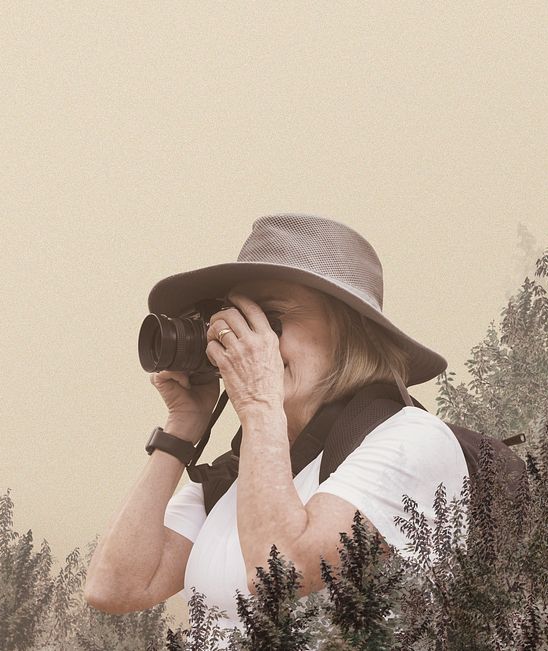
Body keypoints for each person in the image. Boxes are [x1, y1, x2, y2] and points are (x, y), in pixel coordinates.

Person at [83, 213, 469, 639]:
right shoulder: (241, 471)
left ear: (350, 332)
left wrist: (258, 402)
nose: (244, 339)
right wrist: (182, 428)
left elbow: (280, 572)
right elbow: (115, 587)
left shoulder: (412, 440)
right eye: (234, 318)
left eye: (270, 318)